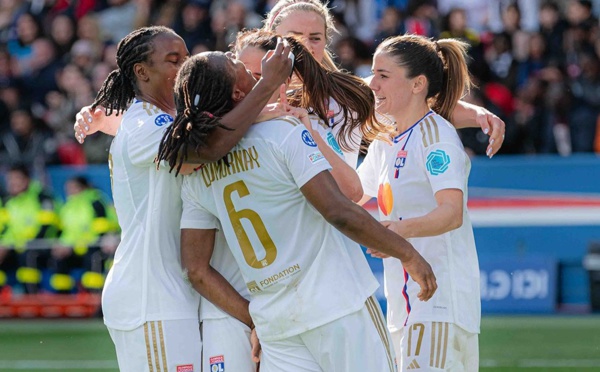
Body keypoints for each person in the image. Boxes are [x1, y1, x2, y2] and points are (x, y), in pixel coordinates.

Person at [158, 50, 437, 372]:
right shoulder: (282, 133)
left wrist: (255, 317)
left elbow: (195, 269)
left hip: (276, 324)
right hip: (337, 304)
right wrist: (408, 254)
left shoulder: (194, 173)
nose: (251, 70)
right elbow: (339, 211)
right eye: (239, 67)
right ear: (238, 93)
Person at [79, 25, 292, 371]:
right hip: (151, 297)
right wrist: (266, 86)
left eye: (186, 58)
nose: (184, 67)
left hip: (173, 297)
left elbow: (212, 129)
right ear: (142, 72)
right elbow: (208, 147)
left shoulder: (162, 121)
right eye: (173, 60)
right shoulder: (143, 126)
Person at [184, 29, 379, 372]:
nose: (251, 88)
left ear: (283, 81)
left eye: (261, 78)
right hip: (247, 308)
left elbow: (351, 193)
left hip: (288, 305)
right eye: (248, 76)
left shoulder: (296, 127)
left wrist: (306, 129)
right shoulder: (210, 136)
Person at [357, 34, 481, 371]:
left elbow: (451, 213)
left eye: (383, 75)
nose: (373, 83)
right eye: (373, 72)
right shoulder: (386, 139)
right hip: (405, 305)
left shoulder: (436, 137)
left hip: (439, 305)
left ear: (418, 85)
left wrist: (395, 233)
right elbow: (350, 193)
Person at [263, 0, 507, 161]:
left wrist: (480, 116)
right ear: (271, 37)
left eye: (315, 38)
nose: (305, 44)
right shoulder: (247, 91)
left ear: (327, 42)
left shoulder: (344, 95)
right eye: (294, 35)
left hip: (327, 235)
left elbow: (414, 101)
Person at [50, 176, 119, 294]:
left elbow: (101, 229)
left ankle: (94, 296)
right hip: (74, 248)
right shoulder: (67, 207)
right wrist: (62, 245)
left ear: (83, 188)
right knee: (58, 259)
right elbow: (66, 232)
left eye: (73, 188)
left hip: (95, 245)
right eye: (67, 188)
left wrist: (78, 245)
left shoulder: (95, 202)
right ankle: (63, 297)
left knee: (93, 258)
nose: (69, 191)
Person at [0, 165, 60, 294]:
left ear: (27, 179)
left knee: (29, 256)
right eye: (9, 179)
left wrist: (27, 244)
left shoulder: (43, 197)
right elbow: (5, 229)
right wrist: (4, 245)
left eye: (16, 179)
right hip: (15, 247)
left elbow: (47, 227)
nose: (12, 183)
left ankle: (31, 297)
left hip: (41, 246)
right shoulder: (7, 201)